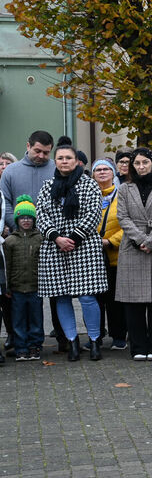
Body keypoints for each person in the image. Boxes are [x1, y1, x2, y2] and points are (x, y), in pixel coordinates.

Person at [36, 142, 108, 362]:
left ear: (76, 161)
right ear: (55, 161)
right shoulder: (47, 186)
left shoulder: (89, 185)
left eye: (68, 157)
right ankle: (72, 342)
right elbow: (41, 214)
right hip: (55, 247)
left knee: (88, 297)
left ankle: (94, 341)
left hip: (84, 247)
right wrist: (56, 237)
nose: (64, 161)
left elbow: (93, 214)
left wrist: (74, 238)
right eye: (60, 158)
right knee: (62, 297)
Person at [116, 148, 152, 361]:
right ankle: (138, 347)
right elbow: (122, 217)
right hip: (132, 247)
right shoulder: (124, 188)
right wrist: (141, 239)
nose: (141, 166)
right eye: (137, 163)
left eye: (145, 162)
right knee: (133, 302)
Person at [3, 196, 43, 361]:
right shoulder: (10, 241)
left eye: (29, 218)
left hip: (35, 287)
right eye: (22, 218)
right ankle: (21, 347)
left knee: (36, 319)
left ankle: (35, 346)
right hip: (17, 289)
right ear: (17, 220)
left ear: (34, 219)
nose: (26, 221)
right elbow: (7, 266)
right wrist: (7, 286)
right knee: (18, 320)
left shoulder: (40, 238)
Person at [91, 159, 125, 350]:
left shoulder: (123, 196)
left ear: (113, 174)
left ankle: (119, 335)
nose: (102, 173)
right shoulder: (87, 196)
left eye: (106, 169)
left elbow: (128, 223)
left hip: (116, 255)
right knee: (94, 300)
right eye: (98, 170)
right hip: (93, 257)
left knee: (115, 299)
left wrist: (110, 241)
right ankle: (96, 335)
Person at [2, 130, 55, 234]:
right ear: (28, 146)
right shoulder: (10, 171)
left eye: (46, 153)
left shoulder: (58, 170)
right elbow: (5, 202)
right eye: (37, 151)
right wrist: (18, 226)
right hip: (18, 237)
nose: (41, 156)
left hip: (52, 238)